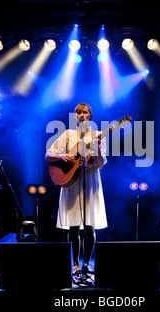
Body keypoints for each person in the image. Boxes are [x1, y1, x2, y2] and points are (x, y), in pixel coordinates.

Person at [45, 103, 108, 273]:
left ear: (90, 115)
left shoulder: (96, 136)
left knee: (89, 226)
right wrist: (61, 155)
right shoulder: (68, 134)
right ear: (75, 116)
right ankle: (75, 264)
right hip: (72, 182)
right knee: (74, 226)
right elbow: (48, 155)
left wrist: (98, 151)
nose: (81, 114)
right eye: (79, 112)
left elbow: (101, 164)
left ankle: (87, 262)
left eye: (85, 112)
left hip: (90, 181)